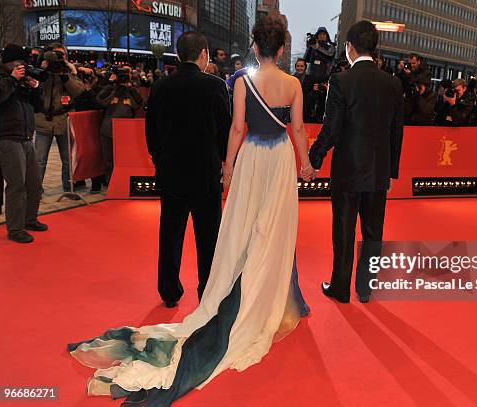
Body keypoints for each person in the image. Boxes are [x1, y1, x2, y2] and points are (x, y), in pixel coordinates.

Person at [69, 18, 310, 405]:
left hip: (210, 165)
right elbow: (270, 129)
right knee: (245, 231)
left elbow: (228, 129)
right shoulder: (281, 84)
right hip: (260, 162)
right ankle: (235, 291)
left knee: (187, 230)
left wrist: (221, 164)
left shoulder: (207, 84)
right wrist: (302, 163)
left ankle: (183, 290)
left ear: (254, 46)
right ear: (281, 48)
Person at [309, 20, 404, 303]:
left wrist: (315, 158)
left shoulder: (341, 80)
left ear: (350, 47)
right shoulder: (393, 83)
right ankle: (366, 288)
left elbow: (332, 127)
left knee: (344, 230)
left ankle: (340, 288)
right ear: (374, 48)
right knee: (373, 232)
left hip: (348, 171)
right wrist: (391, 170)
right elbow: (396, 132)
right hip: (378, 173)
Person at [142, 34, 232, 308]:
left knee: (170, 234)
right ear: (204, 54)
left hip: (171, 172)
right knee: (209, 237)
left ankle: (169, 291)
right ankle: (207, 291)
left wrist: (160, 160)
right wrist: (223, 162)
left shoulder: (160, 86)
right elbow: (224, 131)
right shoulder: (215, 86)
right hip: (205, 173)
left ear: (178, 55)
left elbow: (151, 131)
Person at [0, 44, 47, 243]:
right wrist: (12, 80)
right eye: (19, 63)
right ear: (9, 63)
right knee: (16, 186)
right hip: (6, 139)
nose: (23, 66)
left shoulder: (20, 79)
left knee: (35, 184)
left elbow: (38, 107)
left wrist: (35, 88)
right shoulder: (3, 78)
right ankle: (15, 229)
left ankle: (30, 219)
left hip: (26, 137)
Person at [34, 42, 85, 195]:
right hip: (43, 119)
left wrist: (65, 75)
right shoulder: (42, 70)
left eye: (60, 55)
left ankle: (68, 188)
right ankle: (35, 190)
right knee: (39, 160)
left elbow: (78, 91)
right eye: (54, 55)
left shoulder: (68, 71)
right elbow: (34, 89)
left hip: (63, 119)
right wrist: (42, 69)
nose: (57, 58)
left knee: (67, 159)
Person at [96, 66, 143, 184]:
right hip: (108, 129)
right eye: (122, 74)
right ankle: (111, 183)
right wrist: (111, 84)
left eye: (127, 73)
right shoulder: (110, 88)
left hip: (126, 130)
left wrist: (129, 88)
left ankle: (124, 181)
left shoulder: (132, 90)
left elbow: (139, 103)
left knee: (125, 159)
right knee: (108, 160)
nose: (124, 76)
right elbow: (100, 100)